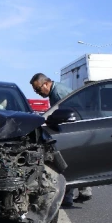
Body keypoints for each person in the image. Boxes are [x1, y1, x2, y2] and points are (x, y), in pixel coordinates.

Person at [30, 72, 92, 207]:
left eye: (38, 89)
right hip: (77, 128)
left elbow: (67, 114)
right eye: (35, 91)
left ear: (46, 83)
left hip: (75, 129)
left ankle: (71, 195)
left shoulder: (58, 93)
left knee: (66, 161)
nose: (37, 93)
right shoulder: (55, 91)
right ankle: (82, 190)